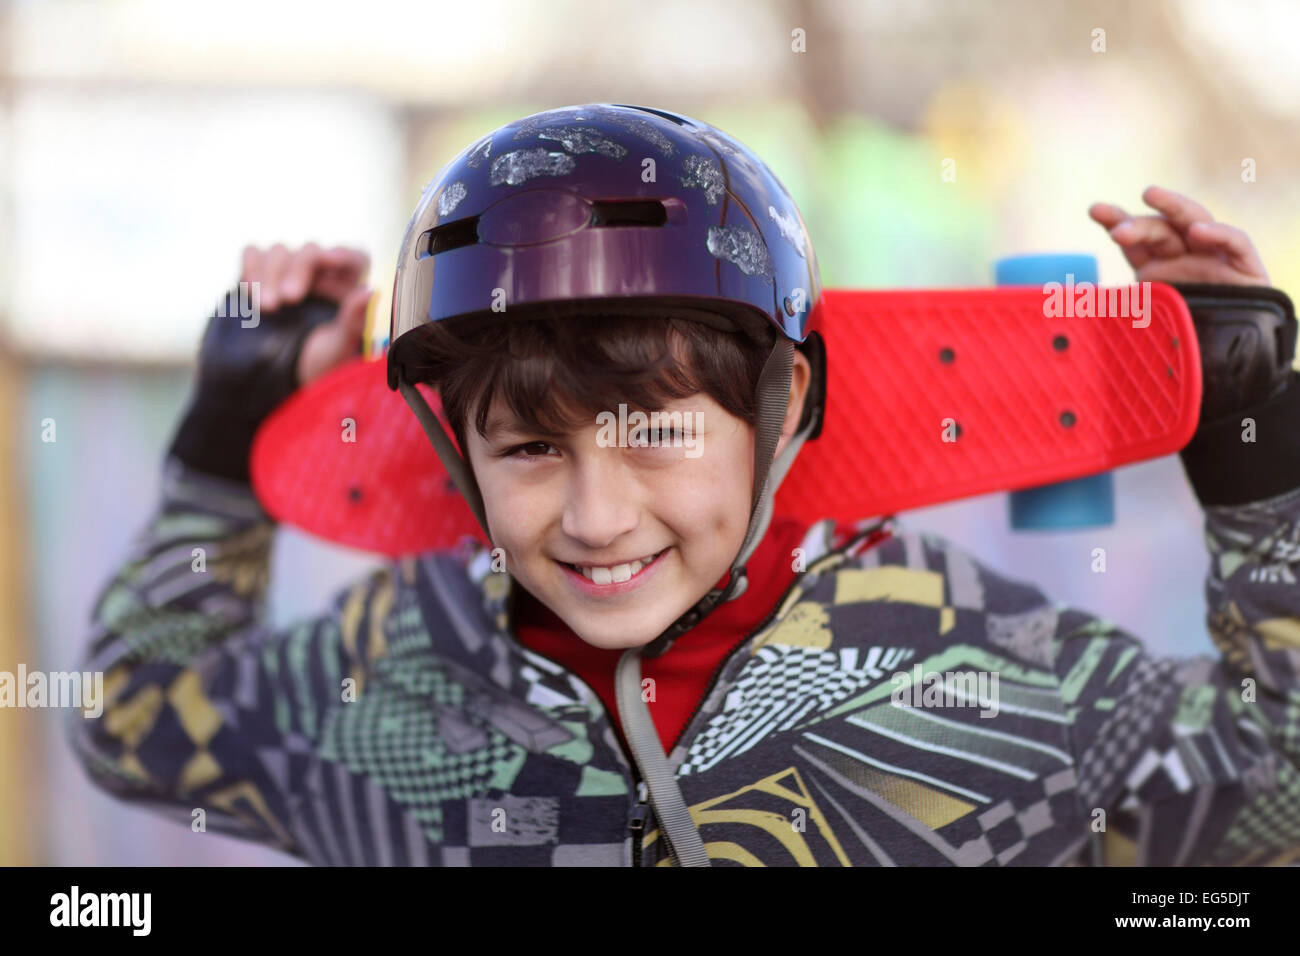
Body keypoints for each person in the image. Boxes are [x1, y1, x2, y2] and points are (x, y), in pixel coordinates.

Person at [67, 104, 1300, 867]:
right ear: (455, 454)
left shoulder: (985, 678)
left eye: (657, 431)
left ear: (786, 411)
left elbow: (1279, 775)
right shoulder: (389, 671)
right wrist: (225, 446)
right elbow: (131, 720)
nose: (597, 519)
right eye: (531, 450)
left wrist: (1257, 455)